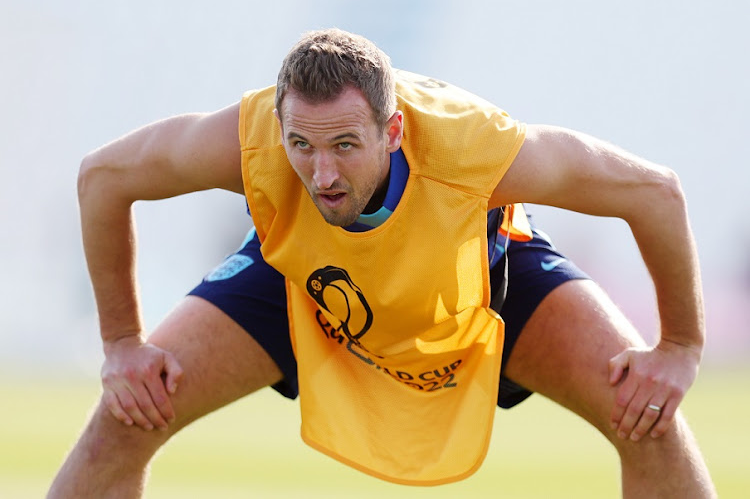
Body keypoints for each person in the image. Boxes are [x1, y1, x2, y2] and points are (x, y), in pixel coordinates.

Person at [48, 28, 715, 497]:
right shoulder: (249, 139)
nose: (323, 172)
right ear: (279, 125)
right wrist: (121, 343)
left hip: (476, 280)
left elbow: (652, 191)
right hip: (304, 280)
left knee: (648, 417)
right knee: (124, 415)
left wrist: (680, 345)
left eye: (345, 144)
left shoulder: (472, 148)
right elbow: (103, 178)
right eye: (302, 145)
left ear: (393, 132)